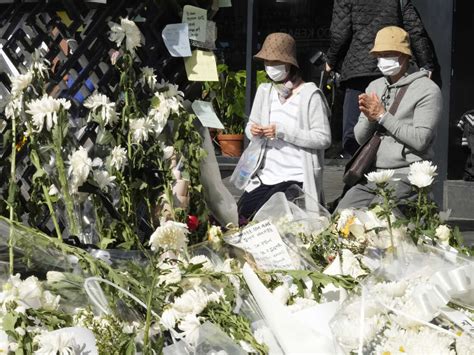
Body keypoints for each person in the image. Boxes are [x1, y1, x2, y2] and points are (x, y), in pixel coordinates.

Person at [335, 26, 442, 211]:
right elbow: (360, 138)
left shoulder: (427, 90)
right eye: (379, 54)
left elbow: (421, 140)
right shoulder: (374, 86)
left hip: (407, 175)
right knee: (341, 216)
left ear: (405, 55)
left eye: (389, 53)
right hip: (372, 174)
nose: (383, 59)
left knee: (379, 219)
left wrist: (383, 116)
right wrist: (370, 119)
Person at [237, 33, 331, 220]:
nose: (270, 67)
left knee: (279, 221)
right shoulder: (265, 91)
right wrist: (254, 131)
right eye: (267, 62)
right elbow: (250, 126)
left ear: (289, 64)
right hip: (265, 175)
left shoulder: (310, 94)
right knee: (242, 216)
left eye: (275, 62)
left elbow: (323, 138)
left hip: (296, 177)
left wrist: (282, 132)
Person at [325, 0, 435, 158]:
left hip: (358, 71)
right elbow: (414, 27)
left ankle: (356, 172)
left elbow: (339, 33)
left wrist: (331, 60)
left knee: (354, 134)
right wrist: (426, 63)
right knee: (391, 125)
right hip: (393, 69)